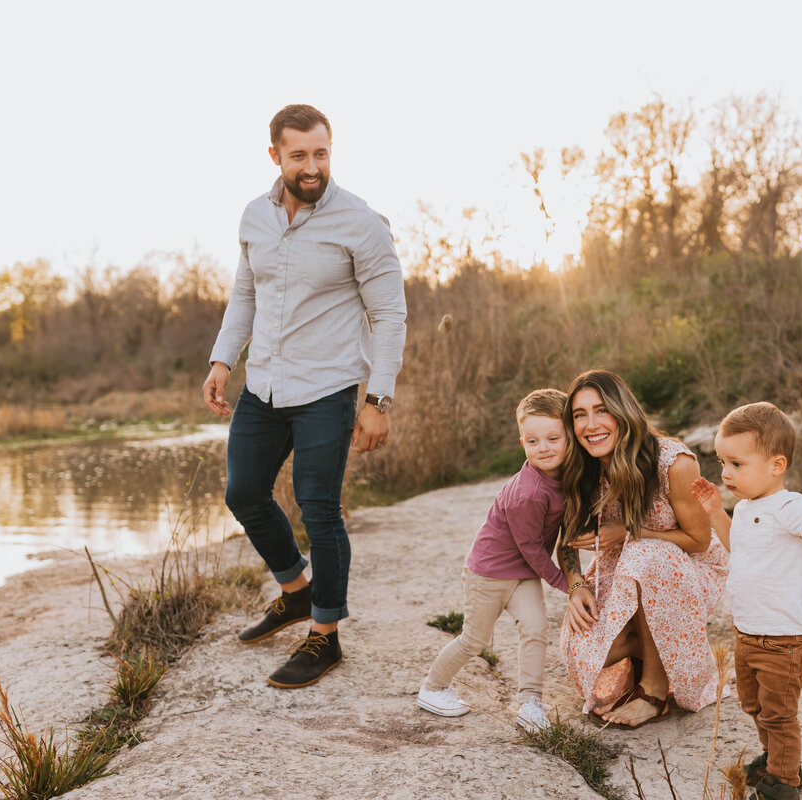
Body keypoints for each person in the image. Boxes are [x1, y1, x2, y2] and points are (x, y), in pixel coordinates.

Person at [202, 104, 406, 689]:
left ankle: (325, 636)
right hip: (263, 384)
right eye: (299, 156)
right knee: (243, 493)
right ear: (276, 157)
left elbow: (390, 315)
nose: (312, 167)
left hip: (328, 387)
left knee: (319, 511)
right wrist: (222, 360)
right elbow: (244, 295)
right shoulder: (253, 217)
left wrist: (378, 400)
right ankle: (295, 590)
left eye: (321, 153)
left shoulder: (361, 223)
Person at [691, 401, 802, 800]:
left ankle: (783, 783)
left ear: (776, 465)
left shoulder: (789, 505)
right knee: (756, 706)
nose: (725, 472)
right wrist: (716, 513)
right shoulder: (749, 506)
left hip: (785, 641)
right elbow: (741, 550)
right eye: (722, 462)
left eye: (736, 463)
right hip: (748, 635)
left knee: (779, 715)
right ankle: (775, 758)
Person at [558, 369, 730, 728]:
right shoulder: (584, 467)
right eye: (579, 414)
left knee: (644, 553)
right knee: (580, 653)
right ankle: (662, 650)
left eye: (601, 410)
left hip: (685, 568)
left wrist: (630, 532)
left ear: (622, 411)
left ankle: (654, 690)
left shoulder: (674, 462)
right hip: (624, 574)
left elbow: (698, 541)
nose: (591, 424)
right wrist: (576, 586)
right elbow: (568, 542)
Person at [417, 389, 571, 732]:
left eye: (552, 438)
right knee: (474, 639)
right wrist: (565, 582)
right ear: (522, 442)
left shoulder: (564, 476)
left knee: (535, 628)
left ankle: (530, 702)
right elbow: (531, 548)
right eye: (533, 441)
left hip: (523, 575)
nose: (543, 447)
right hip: (489, 574)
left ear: (569, 438)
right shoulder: (528, 494)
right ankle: (432, 687)